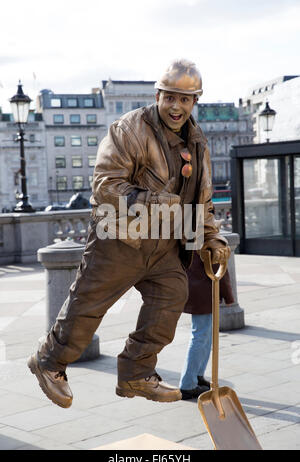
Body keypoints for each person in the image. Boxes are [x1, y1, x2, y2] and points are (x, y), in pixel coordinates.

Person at [27, 59, 231, 408]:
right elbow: (105, 186)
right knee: (89, 305)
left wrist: (212, 239)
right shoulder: (129, 128)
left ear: (195, 102)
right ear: (158, 96)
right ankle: (48, 361)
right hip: (120, 235)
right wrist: (154, 201)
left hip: (166, 242)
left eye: (185, 99)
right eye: (170, 97)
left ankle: (136, 372)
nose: (176, 106)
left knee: (171, 297)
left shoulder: (197, 141)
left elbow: (203, 198)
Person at [179, 253, 234, 399]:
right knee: (201, 336)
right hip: (204, 290)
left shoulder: (187, 232)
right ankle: (187, 384)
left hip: (193, 287)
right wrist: (228, 296)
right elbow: (220, 267)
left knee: (205, 335)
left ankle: (197, 375)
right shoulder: (206, 234)